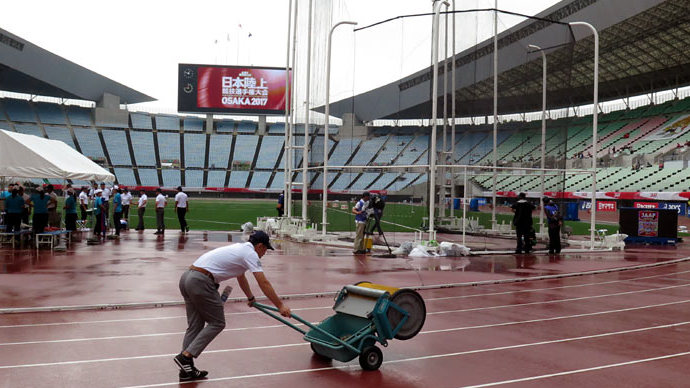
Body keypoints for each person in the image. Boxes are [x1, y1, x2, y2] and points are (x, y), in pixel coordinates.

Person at [174, 231, 290, 381]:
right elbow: (263, 282)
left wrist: (251, 297)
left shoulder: (239, 249)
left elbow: (240, 276)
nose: (265, 253)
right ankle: (185, 357)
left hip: (188, 277)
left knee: (195, 325)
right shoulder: (250, 254)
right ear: (259, 246)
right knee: (217, 323)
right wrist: (280, 305)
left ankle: (186, 369)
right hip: (202, 281)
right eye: (266, 249)